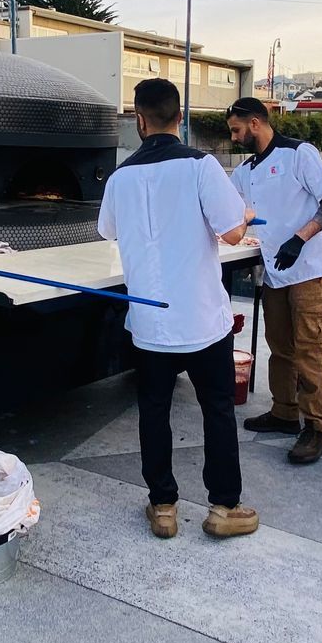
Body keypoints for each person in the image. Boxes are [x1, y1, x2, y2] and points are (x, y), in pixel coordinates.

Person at [98, 79, 259, 540]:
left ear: (139, 120)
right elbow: (231, 233)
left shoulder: (121, 176)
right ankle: (224, 507)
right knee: (217, 410)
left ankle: (163, 506)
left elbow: (107, 230)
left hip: (149, 322)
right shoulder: (202, 166)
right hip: (203, 318)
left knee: (154, 412)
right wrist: (244, 216)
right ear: (180, 117)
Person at [225, 97, 322, 464]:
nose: (233, 137)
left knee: (310, 349)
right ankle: (285, 412)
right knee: (280, 347)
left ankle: (317, 428)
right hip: (275, 272)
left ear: (256, 123)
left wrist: (300, 238)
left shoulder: (299, 154)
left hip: (309, 268)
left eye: (237, 129)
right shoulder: (245, 171)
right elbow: (231, 212)